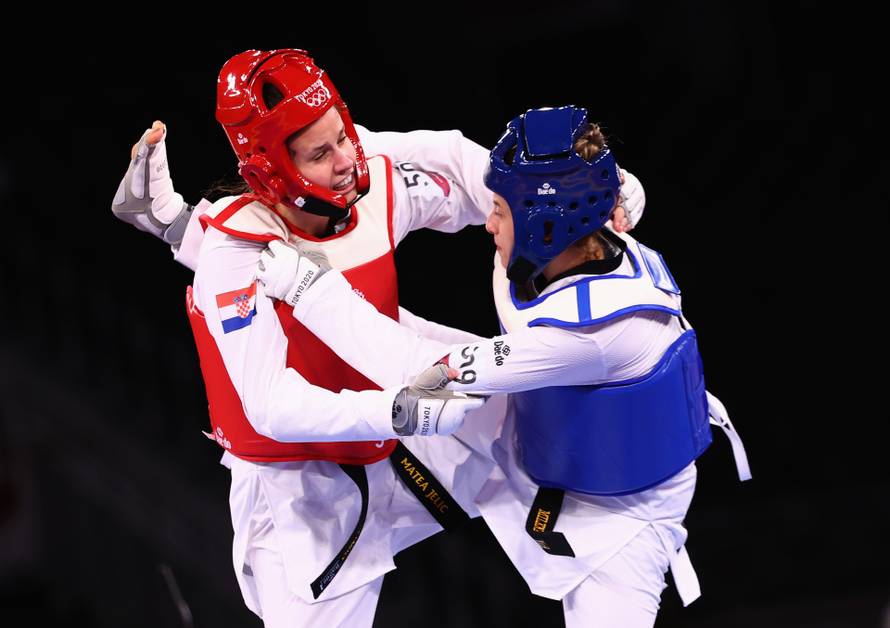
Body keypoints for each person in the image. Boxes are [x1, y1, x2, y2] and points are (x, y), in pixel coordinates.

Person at [111, 49, 645, 627]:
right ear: (272, 167)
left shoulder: (375, 180)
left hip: (401, 434)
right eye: (320, 152)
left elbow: (480, 179)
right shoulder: (236, 251)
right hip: (301, 487)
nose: (347, 158)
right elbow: (270, 406)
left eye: (342, 133)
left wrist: (588, 191)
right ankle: (166, 218)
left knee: (551, 452)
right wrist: (398, 411)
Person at [255, 105, 751, 628]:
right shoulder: (567, 224)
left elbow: (423, 369)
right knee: (376, 348)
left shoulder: (585, 335)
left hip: (626, 517)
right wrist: (344, 145)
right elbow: (450, 153)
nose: (485, 218)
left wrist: (311, 290)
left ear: (545, 225)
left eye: (497, 209)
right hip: (538, 428)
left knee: (415, 381)